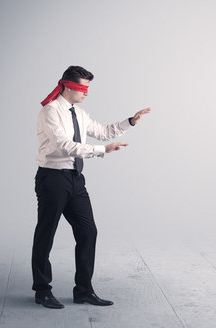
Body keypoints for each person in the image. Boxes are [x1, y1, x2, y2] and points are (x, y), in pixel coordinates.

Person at [32, 65, 151, 309]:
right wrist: (101, 151)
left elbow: (103, 132)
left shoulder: (80, 113)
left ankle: (83, 290)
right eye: (82, 88)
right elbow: (65, 145)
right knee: (46, 233)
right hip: (52, 179)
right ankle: (42, 290)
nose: (86, 93)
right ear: (67, 85)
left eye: (88, 88)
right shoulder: (50, 112)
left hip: (75, 180)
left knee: (88, 232)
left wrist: (130, 121)